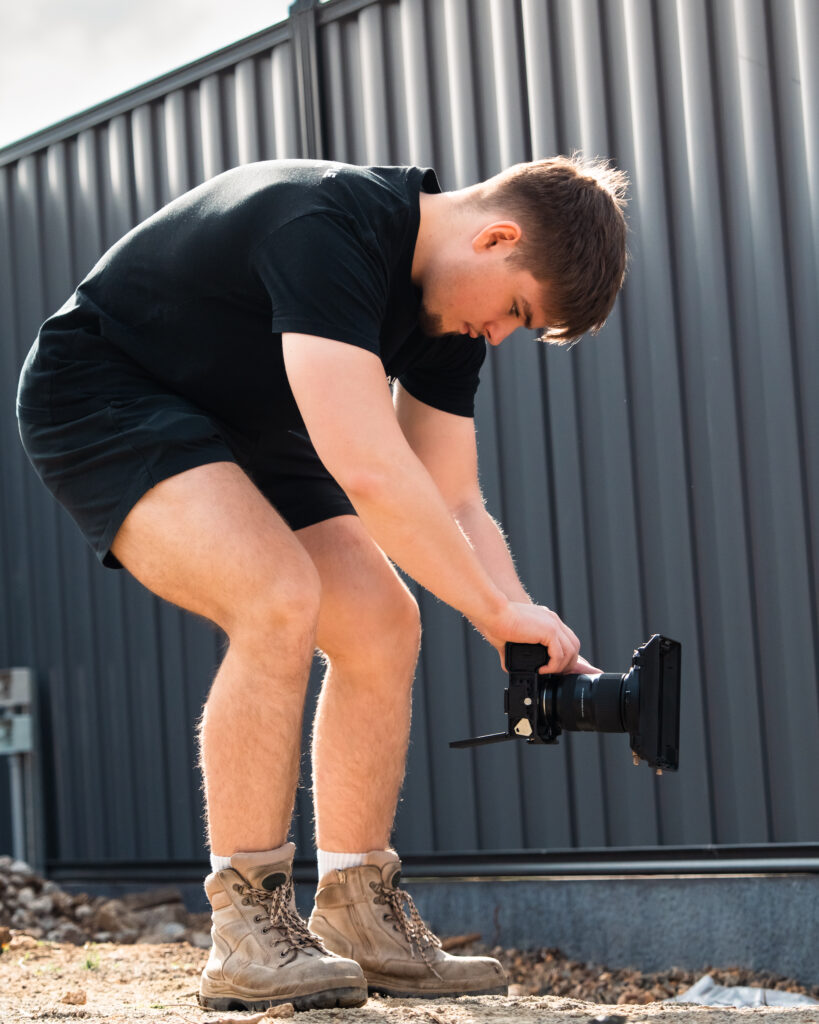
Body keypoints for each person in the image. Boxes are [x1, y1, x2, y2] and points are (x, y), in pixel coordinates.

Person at [16, 155, 628, 1012]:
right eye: (515, 312)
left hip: (248, 420)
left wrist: (517, 616)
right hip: (107, 392)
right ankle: (248, 931)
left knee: (382, 622)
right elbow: (368, 470)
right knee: (276, 596)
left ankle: (357, 914)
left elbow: (452, 496)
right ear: (496, 238)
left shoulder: (448, 319)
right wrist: (490, 609)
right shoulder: (329, 225)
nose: (497, 336)